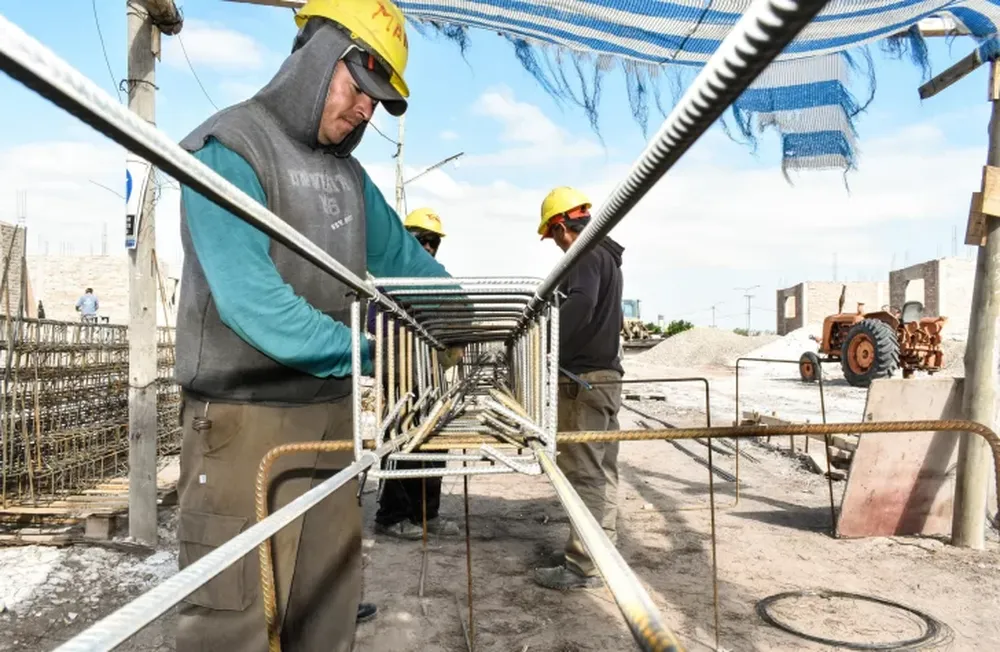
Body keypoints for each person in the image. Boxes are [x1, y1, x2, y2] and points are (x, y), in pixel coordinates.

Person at [172, 1, 459, 649]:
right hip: (243, 421)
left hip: (329, 420)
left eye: (378, 101)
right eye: (360, 87)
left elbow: (411, 266)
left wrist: (472, 322)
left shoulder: (350, 180)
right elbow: (255, 307)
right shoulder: (228, 149)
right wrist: (373, 350)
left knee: (323, 605)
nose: (367, 110)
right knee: (235, 619)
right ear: (315, 57)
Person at [531, 186, 625, 591]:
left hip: (582, 382)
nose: (555, 245)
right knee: (602, 470)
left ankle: (583, 566)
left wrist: (547, 349)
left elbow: (582, 304)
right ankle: (600, 553)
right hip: (604, 378)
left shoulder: (584, 254)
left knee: (584, 474)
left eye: (553, 237)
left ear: (561, 226)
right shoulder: (607, 257)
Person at [369, 208, 459, 539]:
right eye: (423, 240)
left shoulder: (438, 276)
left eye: (434, 242)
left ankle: (426, 515)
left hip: (430, 376)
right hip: (399, 375)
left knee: (434, 442)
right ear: (407, 239)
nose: (430, 248)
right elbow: (372, 322)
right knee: (402, 441)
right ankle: (391, 517)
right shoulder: (389, 279)